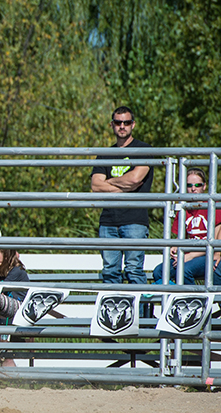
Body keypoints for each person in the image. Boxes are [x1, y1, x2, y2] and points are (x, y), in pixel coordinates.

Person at [90, 106, 153, 285]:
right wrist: (122, 186)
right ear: (112, 125)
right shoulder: (105, 154)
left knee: (134, 271)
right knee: (110, 272)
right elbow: (95, 185)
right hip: (108, 221)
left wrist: (109, 181)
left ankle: (139, 314)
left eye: (126, 122)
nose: (122, 126)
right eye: (118, 122)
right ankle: (113, 313)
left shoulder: (144, 149)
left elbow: (135, 179)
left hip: (135, 219)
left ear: (133, 124)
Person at [153, 168, 221, 286]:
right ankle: (175, 300)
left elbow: (217, 242)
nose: (193, 189)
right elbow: (182, 237)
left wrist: (190, 255)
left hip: (207, 254)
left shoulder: (214, 206)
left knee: (184, 270)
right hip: (188, 254)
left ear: (204, 186)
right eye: (189, 185)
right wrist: (176, 246)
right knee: (159, 271)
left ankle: (193, 302)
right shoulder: (183, 208)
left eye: (198, 185)